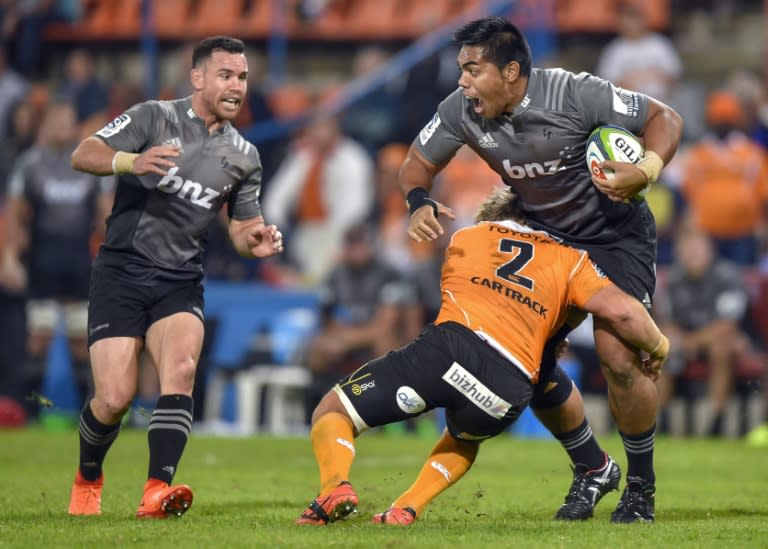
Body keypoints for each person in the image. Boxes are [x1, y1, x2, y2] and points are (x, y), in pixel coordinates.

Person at [399, 17, 683, 522]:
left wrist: (645, 171)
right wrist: (418, 201)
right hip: (546, 238)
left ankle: (640, 488)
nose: (462, 81)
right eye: (461, 70)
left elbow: (666, 119)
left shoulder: (575, 93)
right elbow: (416, 165)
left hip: (616, 236)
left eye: (472, 69)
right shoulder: (462, 111)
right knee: (521, 361)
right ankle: (592, 467)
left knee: (618, 356)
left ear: (511, 71)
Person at [295, 188, 669, 526]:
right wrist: (659, 346)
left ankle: (334, 486)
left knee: (335, 409)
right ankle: (406, 508)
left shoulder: (467, 237)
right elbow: (623, 312)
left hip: (448, 351)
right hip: (509, 388)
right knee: (463, 436)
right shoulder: (572, 261)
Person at [65, 36, 284, 518]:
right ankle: (88, 476)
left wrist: (257, 241)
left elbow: (243, 227)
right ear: (198, 77)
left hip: (180, 278)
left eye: (243, 77)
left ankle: (155, 492)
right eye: (226, 75)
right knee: (114, 399)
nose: (236, 86)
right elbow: (83, 153)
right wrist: (130, 161)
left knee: (181, 371)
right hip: (122, 272)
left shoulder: (245, 155)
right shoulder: (153, 117)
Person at [2, 100, 113, 421]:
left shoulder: (90, 162)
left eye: (69, 122)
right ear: (47, 124)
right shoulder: (30, 164)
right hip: (42, 264)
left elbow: (106, 215)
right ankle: (31, 411)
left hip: (79, 264)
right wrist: (10, 258)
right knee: (39, 339)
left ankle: (87, 414)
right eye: (59, 121)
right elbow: (16, 216)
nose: (64, 128)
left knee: (82, 342)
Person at [303, 222, 419, 423]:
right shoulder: (335, 275)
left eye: (360, 245)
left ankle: (392, 415)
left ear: (370, 245)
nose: (356, 250)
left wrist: (346, 340)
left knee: (384, 342)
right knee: (318, 347)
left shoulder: (388, 274)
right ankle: (317, 412)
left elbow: (386, 323)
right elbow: (328, 320)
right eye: (352, 245)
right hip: (349, 336)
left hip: (380, 338)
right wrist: (341, 338)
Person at [655, 227, 754, 436]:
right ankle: (662, 419)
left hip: (728, 340)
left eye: (697, 250)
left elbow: (728, 324)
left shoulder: (727, 275)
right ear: (678, 254)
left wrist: (691, 341)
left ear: (710, 251)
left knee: (721, 347)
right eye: (686, 250)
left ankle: (716, 421)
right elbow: (668, 321)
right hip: (687, 340)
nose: (692, 255)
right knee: (661, 347)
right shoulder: (673, 278)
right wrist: (678, 340)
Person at [676, 90, 768, 266]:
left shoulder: (752, 154)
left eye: (725, 119)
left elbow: (764, 192)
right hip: (708, 233)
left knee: (743, 281)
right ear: (711, 121)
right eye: (718, 119)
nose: (721, 124)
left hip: (744, 233)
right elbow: (686, 190)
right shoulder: (698, 155)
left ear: (735, 120)